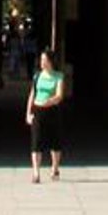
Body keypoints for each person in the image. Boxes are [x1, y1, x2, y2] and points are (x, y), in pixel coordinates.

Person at [26, 47, 67, 183]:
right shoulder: (37, 76)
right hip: (38, 110)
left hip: (52, 111)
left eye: (44, 59)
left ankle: (55, 167)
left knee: (55, 141)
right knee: (36, 142)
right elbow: (32, 94)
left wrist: (49, 101)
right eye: (41, 59)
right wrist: (28, 112)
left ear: (50, 61)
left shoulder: (58, 76)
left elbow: (59, 95)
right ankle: (36, 172)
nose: (42, 62)